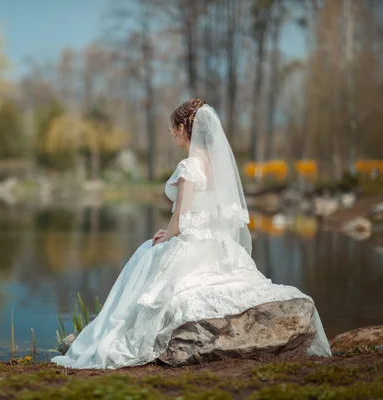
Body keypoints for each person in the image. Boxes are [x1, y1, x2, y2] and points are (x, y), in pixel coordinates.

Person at [51, 99, 331, 370]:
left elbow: (182, 216)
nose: (171, 133)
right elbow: (211, 212)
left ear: (184, 129)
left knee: (146, 253)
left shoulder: (188, 166)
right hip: (216, 244)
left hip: (192, 242)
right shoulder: (215, 164)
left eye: (173, 127)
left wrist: (168, 235)